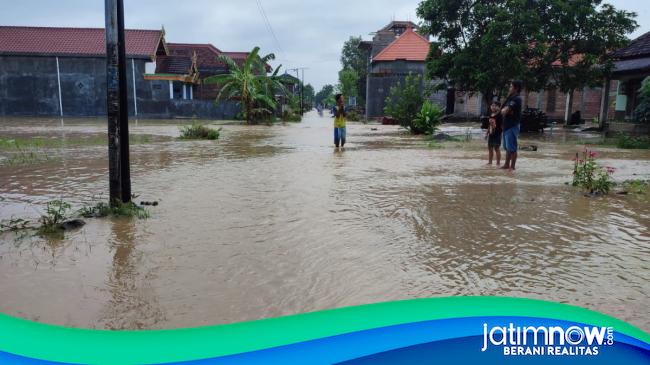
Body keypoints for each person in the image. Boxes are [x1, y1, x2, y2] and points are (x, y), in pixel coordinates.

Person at [501, 80, 523, 170]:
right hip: (506, 125)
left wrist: (506, 110)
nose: (509, 88)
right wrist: (505, 110)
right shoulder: (510, 98)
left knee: (512, 148)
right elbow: (503, 110)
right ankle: (506, 164)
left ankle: (512, 167)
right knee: (507, 147)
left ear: (516, 88)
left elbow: (505, 111)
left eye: (511, 86)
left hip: (512, 125)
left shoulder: (517, 99)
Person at [486, 101, 503, 166]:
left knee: (496, 148)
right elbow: (489, 125)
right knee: (490, 148)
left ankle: (498, 163)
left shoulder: (500, 115)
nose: (493, 107)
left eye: (494, 106)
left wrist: (503, 133)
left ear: (498, 107)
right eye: (492, 105)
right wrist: (486, 134)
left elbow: (502, 125)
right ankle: (490, 162)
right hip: (491, 134)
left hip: (497, 134)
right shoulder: (491, 115)